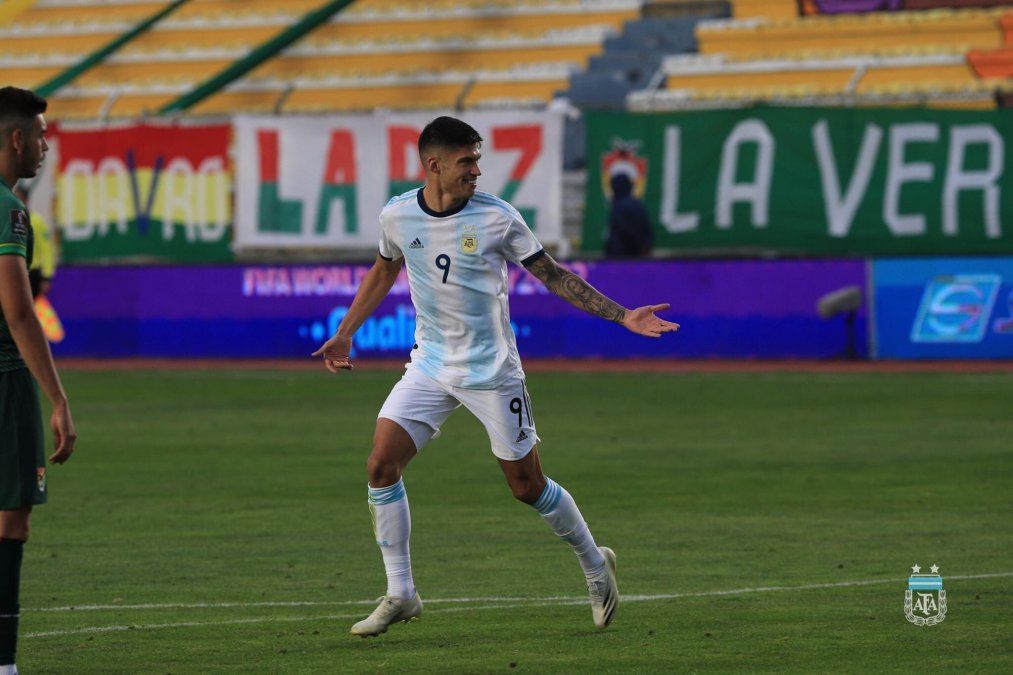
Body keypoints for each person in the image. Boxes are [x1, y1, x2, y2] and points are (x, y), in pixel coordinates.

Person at [313, 116, 678, 638]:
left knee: (527, 486)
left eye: (478, 160)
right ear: (434, 164)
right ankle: (401, 593)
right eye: (467, 161)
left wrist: (623, 316)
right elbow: (383, 269)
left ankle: (597, 565)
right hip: (430, 365)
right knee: (380, 465)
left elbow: (554, 275)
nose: (477, 171)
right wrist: (346, 331)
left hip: (492, 371)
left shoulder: (498, 218)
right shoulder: (396, 216)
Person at [0, 87, 77, 675]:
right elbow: (20, 311)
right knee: (11, 517)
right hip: (4, 382)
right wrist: (57, 396)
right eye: (42, 136)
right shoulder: (10, 211)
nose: (47, 147)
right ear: (18, 140)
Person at [11, 185, 56, 300]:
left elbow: (46, 249)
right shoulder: (8, 219)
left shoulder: (37, 221)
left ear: (27, 200)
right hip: (13, 270)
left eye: (20, 198)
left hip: (33, 272)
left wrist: (47, 276)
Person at [605, 172, 653, 258]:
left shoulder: (620, 207)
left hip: (623, 256)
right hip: (636, 254)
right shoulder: (637, 204)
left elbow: (625, 233)